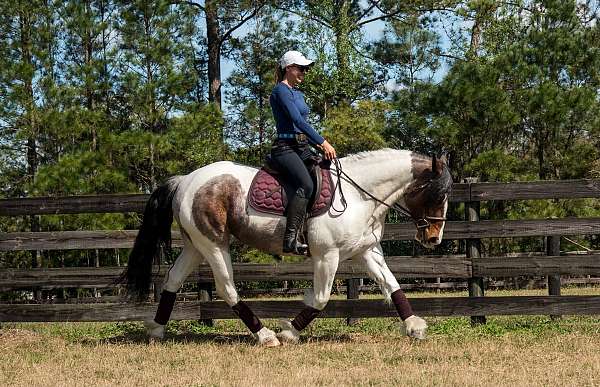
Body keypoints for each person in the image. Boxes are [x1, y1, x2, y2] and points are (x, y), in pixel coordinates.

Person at [270, 50, 337, 255]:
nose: (304, 73)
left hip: (302, 148)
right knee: (306, 184)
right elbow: (297, 121)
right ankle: (290, 239)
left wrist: (315, 145)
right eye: (301, 68)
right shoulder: (280, 91)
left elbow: (302, 125)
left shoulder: (298, 93)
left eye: (305, 69)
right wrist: (323, 141)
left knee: (328, 173)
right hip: (285, 149)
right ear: (288, 68)